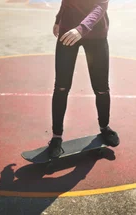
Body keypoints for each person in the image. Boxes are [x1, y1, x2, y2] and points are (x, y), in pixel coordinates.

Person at [47, 0, 119, 158]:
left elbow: (100, 6)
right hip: (68, 33)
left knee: (101, 88)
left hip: (96, 36)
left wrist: (81, 29)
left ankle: (104, 127)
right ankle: (56, 137)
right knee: (61, 87)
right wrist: (58, 20)